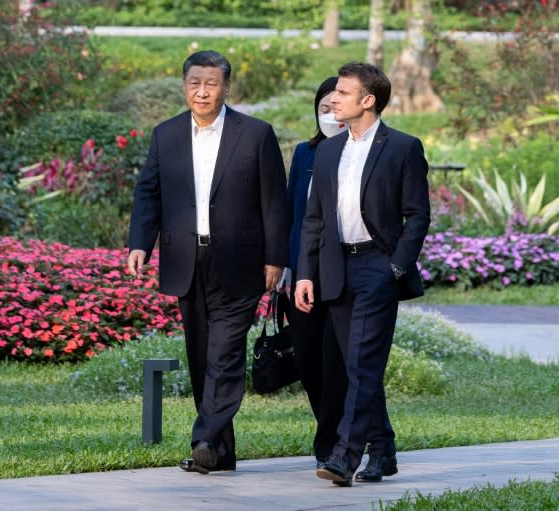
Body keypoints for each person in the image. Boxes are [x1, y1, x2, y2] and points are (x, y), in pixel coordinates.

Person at [127, 49, 288, 475]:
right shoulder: (165, 135)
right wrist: (140, 243)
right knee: (201, 357)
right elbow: (149, 192)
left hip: (241, 262)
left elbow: (275, 201)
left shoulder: (255, 134)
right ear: (185, 86)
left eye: (211, 83)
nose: (202, 91)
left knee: (224, 355)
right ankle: (220, 452)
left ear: (226, 87)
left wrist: (276, 257)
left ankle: (203, 437)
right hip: (185, 259)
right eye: (194, 83)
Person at [294, 62, 431, 487]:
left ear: (367, 101)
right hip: (334, 268)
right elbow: (315, 219)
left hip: (377, 267)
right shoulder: (329, 150)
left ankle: (344, 457)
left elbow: (418, 215)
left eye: (342, 93)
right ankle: (383, 449)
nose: (332, 100)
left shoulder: (403, 147)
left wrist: (395, 266)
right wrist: (305, 274)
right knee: (357, 368)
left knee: (362, 364)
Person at [285, 77, 350, 468]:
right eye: (323, 108)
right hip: (303, 272)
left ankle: (332, 441)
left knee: (337, 358)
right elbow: (294, 213)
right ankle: (334, 430)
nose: (330, 114)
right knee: (308, 357)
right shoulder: (304, 153)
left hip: (343, 271)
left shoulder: (359, 153)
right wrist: (287, 268)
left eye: (335, 106)